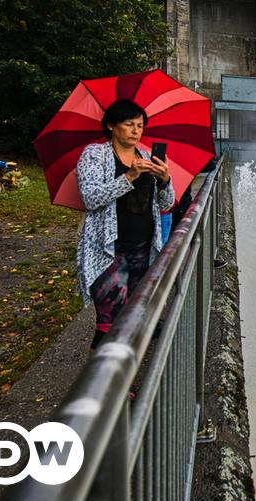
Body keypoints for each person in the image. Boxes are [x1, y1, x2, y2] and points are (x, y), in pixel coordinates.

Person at [75, 99, 174, 350]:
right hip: (109, 251)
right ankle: (104, 384)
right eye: (129, 124)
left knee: (133, 314)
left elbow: (165, 203)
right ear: (111, 125)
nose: (135, 131)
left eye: (140, 125)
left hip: (143, 249)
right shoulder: (94, 155)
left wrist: (164, 180)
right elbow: (90, 197)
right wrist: (129, 176)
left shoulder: (145, 156)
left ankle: (124, 370)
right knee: (110, 320)